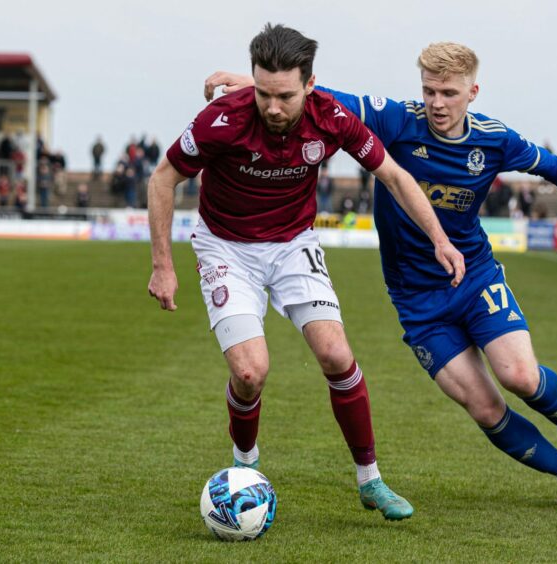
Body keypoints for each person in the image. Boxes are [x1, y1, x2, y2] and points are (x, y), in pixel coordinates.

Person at [206, 41, 557, 511]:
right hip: (416, 300)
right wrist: (255, 84)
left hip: (474, 278)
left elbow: (555, 168)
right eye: (429, 91)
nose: (437, 103)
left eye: (449, 92)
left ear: (473, 91)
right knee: (485, 407)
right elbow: (321, 95)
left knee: (519, 376)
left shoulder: (493, 140)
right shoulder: (396, 120)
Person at [148, 24, 465, 522]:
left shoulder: (331, 118)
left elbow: (395, 177)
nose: (273, 107)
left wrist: (440, 239)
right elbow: (163, 178)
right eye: (263, 93)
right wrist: (163, 265)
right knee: (250, 373)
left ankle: (371, 481)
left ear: (310, 84)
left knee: (337, 354)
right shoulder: (222, 120)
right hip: (226, 247)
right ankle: (245, 470)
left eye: (285, 96)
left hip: (294, 244)